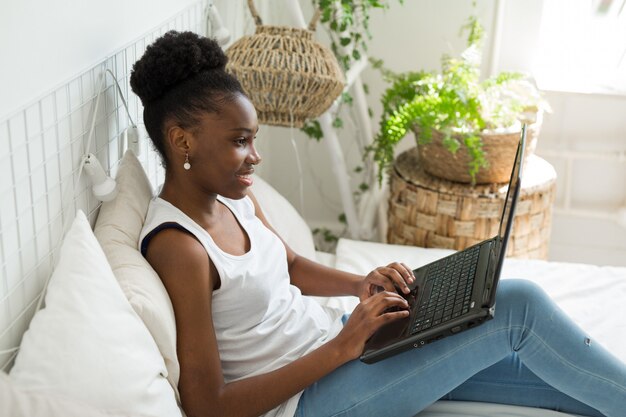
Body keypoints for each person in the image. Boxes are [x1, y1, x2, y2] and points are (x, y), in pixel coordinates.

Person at [130, 30, 626, 417]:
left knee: (542, 368)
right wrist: (345, 347)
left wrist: (360, 285)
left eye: (253, 139)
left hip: (340, 346)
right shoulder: (180, 247)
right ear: (182, 141)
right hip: (309, 401)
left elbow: (293, 264)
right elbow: (207, 406)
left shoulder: (234, 197)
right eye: (240, 141)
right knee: (519, 303)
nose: (255, 157)